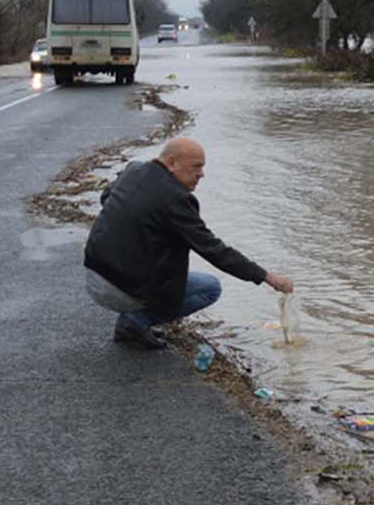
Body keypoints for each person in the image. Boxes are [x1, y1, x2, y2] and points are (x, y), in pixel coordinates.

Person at [83, 137, 293, 349]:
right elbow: (214, 250)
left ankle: (134, 317)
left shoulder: (133, 170)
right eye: (196, 167)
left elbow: (106, 197)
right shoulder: (176, 199)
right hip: (117, 290)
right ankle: (135, 321)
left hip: (93, 273)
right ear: (172, 163)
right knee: (209, 288)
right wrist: (267, 277)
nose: (201, 174)